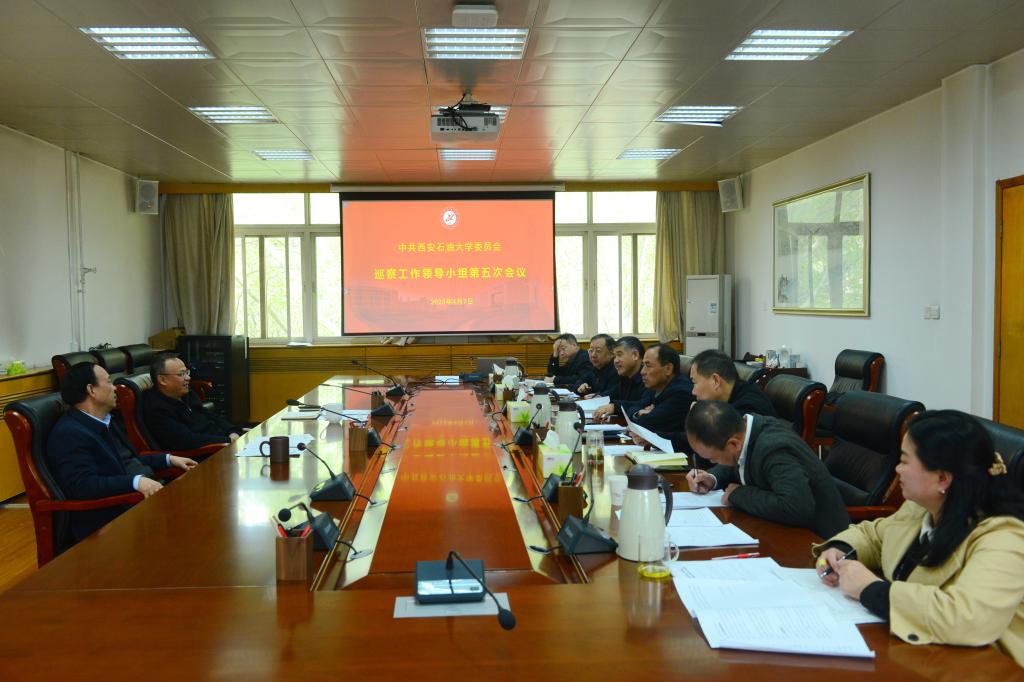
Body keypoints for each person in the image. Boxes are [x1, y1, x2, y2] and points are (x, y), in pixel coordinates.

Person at [815, 410, 1024, 665]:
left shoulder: (1004, 538)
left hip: (984, 666)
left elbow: (967, 617)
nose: (897, 469)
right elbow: (874, 536)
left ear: (942, 478)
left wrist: (871, 590)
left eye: (905, 461)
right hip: (920, 653)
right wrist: (840, 550)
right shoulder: (922, 507)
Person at [47, 362, 196, 543]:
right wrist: (135, 482)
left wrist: (168, 459)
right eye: (109, 382)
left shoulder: (104, 420)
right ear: (91, 390)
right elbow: (83, 486)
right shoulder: (69, 433)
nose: (115, 388)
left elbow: (130, 459)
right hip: (108, 522)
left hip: (137, 503)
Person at [685, 400, 849, 538]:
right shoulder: (745, 431)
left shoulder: (775, 449)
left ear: (733, 444)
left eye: (712, 458)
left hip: (821, 542)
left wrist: (738, 494)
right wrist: (712, 478)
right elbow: (739, 461)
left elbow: (795, 507)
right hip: (781, 530)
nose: (713, 462)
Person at [666, 349, 776, 454]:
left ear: (715, 380)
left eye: (694, 382)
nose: (693, 392)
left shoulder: (748, 408)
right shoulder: (731, 397)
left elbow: (711, 451)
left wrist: (696, 421)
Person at [142, 353, 243, 451]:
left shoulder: (185, 393)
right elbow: (187, 440)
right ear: (162, 380)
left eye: (187, 372)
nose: (188, 378)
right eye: (181, 374)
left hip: (225, 442)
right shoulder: (157, 408)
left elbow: (209, 415)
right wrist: (228, 441)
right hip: (208, 453)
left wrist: (232, 431)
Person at [620, 343, 694, 434]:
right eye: (643, 365)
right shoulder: (656, 386)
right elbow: (632, 408)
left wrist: (644, 414)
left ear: (668, 369)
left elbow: (646, 424)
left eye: (648, 366)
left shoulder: (681, 393)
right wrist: (638, 413)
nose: (642, 372)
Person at [593, 336, 645, 421]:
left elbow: (643, 405)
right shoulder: (625, 376)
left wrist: (615, 407)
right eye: (615, 356)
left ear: (635, 355)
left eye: (619, 355)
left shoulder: (648, 377)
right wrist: (599, 397)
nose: (616, 361)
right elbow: (612, 393)